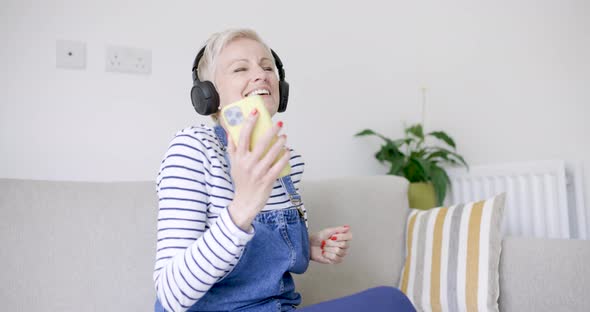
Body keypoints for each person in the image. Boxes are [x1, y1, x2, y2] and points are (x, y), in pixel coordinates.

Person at [153, 28, 415, 312]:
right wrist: (241, 207)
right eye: (240, 68)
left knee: (390, 301)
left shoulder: (285, 162)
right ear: (208, 94)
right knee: (390, 303)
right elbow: (171, 295)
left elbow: (266, 255)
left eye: (268, 67)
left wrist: (308, 246)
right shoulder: (193, 149)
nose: (262, 75)